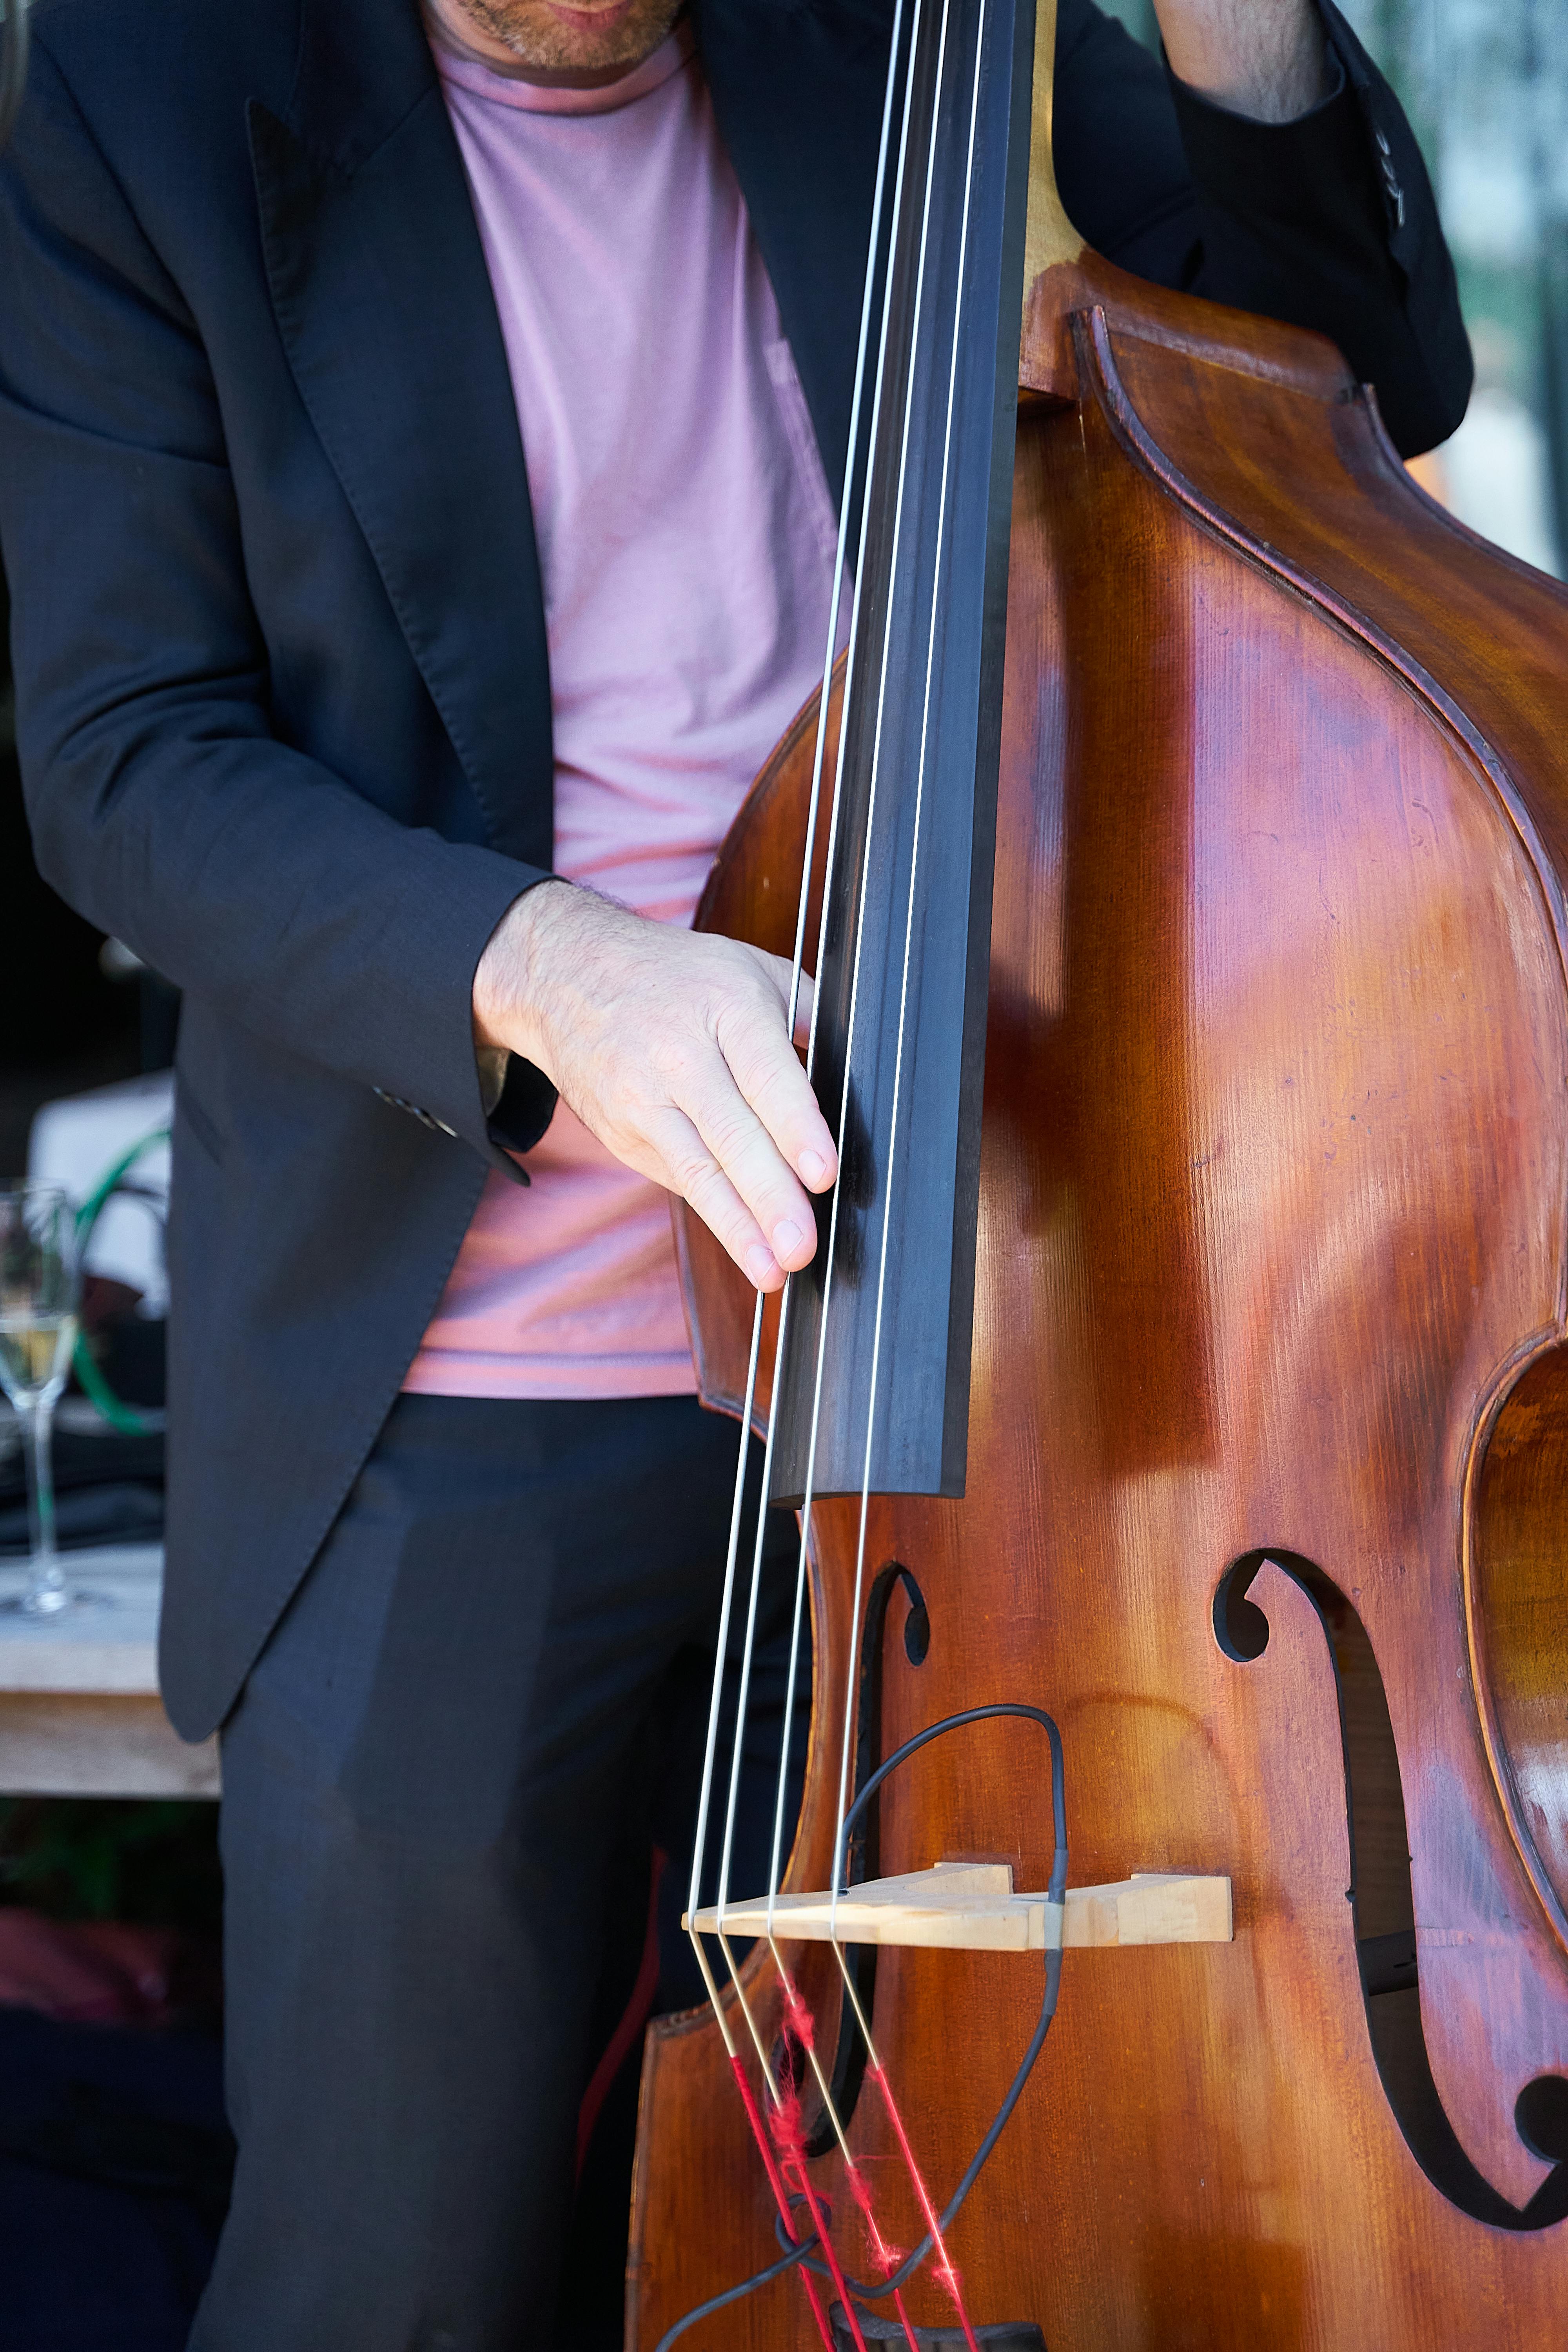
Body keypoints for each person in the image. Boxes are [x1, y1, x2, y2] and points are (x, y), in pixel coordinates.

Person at [0, 0, 1469, 2341]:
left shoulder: (906, 26)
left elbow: (1347, 404)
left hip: (1012, 1403)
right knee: (395, 2291)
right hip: (461, 1388)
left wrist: (1243, 30)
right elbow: (120, 747)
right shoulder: (158, 80)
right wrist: (548, 965)